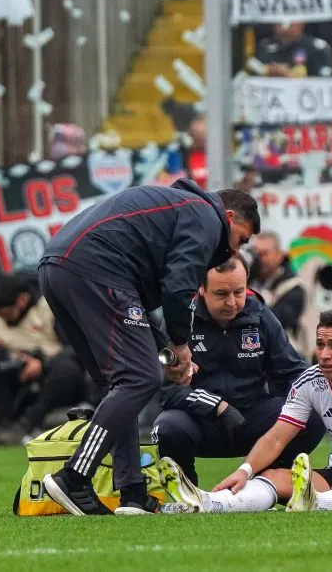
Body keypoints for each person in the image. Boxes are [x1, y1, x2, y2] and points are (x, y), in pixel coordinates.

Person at [38, 180, 260, 516]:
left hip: (60, 268)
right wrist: (181, 344)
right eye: (240, 239)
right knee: (139, 378)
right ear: (228, 216)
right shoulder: (205, 216)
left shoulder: (177, 210)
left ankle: (132, 493)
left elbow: (141, 310)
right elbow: (178, 287)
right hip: (95, 268)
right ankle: (74, 477)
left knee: (122, 385)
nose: (235, 251)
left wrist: (168, 350)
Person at [161, 308, 332, 514]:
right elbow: (276, 437)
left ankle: (322, 503)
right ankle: (209, 502)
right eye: (320, 344)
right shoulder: (310, 381)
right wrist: (245, 470)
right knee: (275, 477)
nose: (324, 354)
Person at [151, 257, 323, 484]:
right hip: (200, 420)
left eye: (238, 292)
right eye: (222, 294)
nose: (232, 302)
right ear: (201, 288)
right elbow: (166, 390)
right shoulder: (180, 321)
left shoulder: (260, 314)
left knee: (312, 414)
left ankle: (264, 483)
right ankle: (187, 493)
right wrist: (216, 406)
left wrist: (307, 399)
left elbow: (292, 372)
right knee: (166, 428)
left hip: (253, 418)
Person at [0, 273, 95, 444]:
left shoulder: (48, 306)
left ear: (22, 300)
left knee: (67, 369)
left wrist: (42, 364)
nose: (4, 319)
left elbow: (76, 349)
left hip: (53, 371)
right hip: (18, 369)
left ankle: (28, 423)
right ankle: (5, 423)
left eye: (8, 314)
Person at [250, 232, 306, 338]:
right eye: (255, 254)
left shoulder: (293, 286)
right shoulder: (247, 279)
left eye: (264, 253)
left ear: (279, 255)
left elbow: (275, 322)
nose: (258, 259)